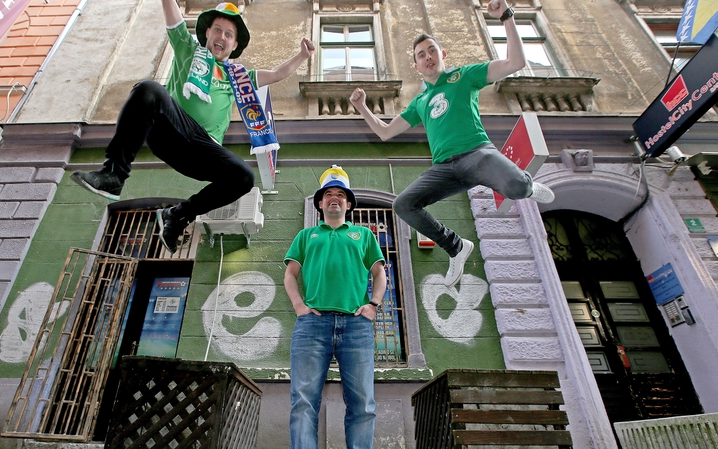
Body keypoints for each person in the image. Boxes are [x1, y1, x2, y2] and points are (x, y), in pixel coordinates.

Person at [71, 1, 314, 253]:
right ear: (207, 33)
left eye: (228, 35)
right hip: (170, 131)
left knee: (244, 177)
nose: (222, 37)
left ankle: (177, 216)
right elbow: (174, 18)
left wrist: (302, 56)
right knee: (148, 89)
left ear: (234, 45)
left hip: (203, 151)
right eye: (218, 30)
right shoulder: (187, 49)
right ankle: (113, 175)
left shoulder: (237, 77)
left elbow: (276, 74)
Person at [348, 0, 555, 287]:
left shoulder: (464, 76)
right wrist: (362, 107)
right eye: (421, 55)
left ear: (442, 54)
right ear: (416, 65)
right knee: (403, 204)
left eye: (432, 50)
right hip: (445, 169)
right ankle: (456, 246)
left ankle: (528, 185)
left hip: (476, 153)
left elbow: (515, 63)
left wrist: (506, 16)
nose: (428, 56)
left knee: (517, 188)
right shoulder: (419, 102)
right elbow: (385, 132)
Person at [284, 165, 386, 449]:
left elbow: (380, 274)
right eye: (328, 193)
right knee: (303, 402)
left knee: (362, 404)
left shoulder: (364, 235)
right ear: (319, 202)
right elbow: (290, 275)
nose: (334, 198)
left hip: (356, 326)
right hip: (312, 325)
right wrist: (299, 307)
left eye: (341, 194)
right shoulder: (306, 236)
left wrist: (373, 305)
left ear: (348, 203)